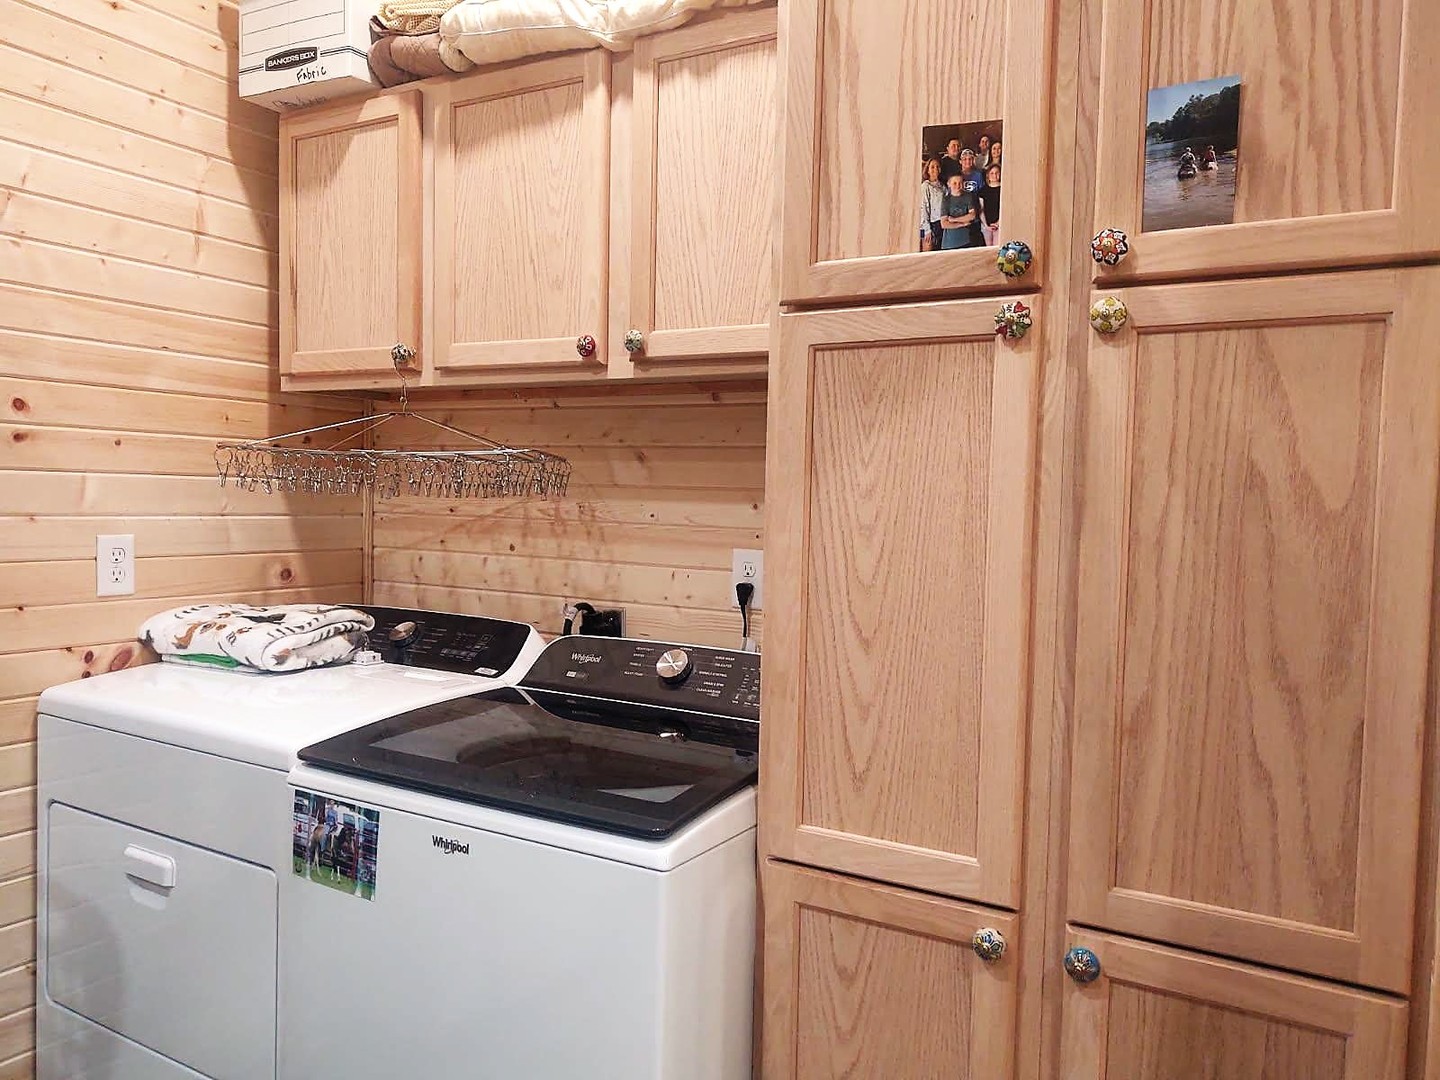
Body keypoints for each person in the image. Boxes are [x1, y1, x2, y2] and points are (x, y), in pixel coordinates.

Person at [939, 174, 977, 249]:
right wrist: (962, 224)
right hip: (950, 241)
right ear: (949, 184)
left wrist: (953, 220)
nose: (958, 185)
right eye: (954, 183)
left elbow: (972, 215)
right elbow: (944, 224)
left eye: (960, 183)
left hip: (966, 239)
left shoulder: (968, 196)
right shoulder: (946, 200)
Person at [919, 157, 945, 251]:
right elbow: (923, 207)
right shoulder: (925, 186)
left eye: (937, 167)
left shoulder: (943, 186)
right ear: (928, 170)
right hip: (930, 225)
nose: (935, 169)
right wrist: (927, 230)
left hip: (941, 223)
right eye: (932, 167)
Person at [979, 163, 1002, 246]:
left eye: (997, 173)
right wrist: (986, 225)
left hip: (1000, 225)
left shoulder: (1004, 189)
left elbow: (1005, 208)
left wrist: (998, 223)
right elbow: (981, 209)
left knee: (997, 248)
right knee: (988, 248)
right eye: (992, 173)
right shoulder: (982, 191)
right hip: (986, 225)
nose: (994, 175)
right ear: (988, 175)